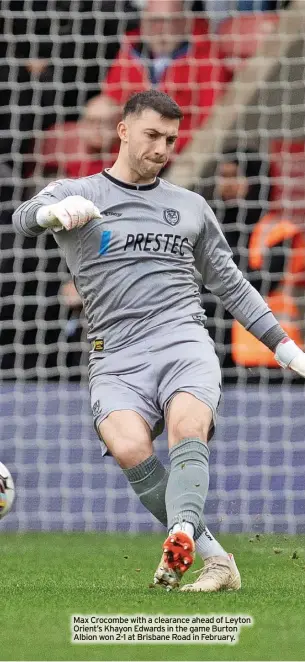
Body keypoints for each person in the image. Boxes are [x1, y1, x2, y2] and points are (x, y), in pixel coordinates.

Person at [13, 90, 305, 593]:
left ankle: (181, 533)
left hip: (183, 340)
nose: (161, 148)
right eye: (151, 135)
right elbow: (24, 215)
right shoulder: (79, 194)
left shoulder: (189, 207)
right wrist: (51, 215)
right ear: (123, 131)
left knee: (187, 425)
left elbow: (231, 284)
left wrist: (286, 348)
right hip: (115, 354)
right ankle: (216, 559)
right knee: (128, 447)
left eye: (170, 139)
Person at [102, 0, 229, 155]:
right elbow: (109, 106)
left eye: (168, 21)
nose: (159, 29)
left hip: (182, 156)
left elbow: (209, 122)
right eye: (154, 21)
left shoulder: (207, 59)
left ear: (185, 22)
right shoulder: (128, 54)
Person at [36, 94, 121, 179]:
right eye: (92, 121)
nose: (97, 129)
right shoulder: (58, 143)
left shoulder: (123, 160)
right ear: (82, 123)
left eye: (106, 123)